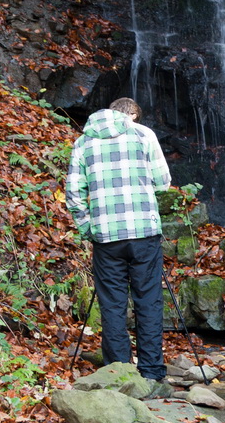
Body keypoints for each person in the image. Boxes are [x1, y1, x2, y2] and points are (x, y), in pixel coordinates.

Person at [66, 98, 171, 380]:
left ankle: (118, 371)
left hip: (106, 237)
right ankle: (151, 371)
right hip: (144, 233)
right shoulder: (144, 135)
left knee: (112, 304)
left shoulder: (83, 142)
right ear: (129, 114)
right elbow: (163, 182)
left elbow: (73, 194)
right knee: (148, 301)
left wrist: (88, 228)